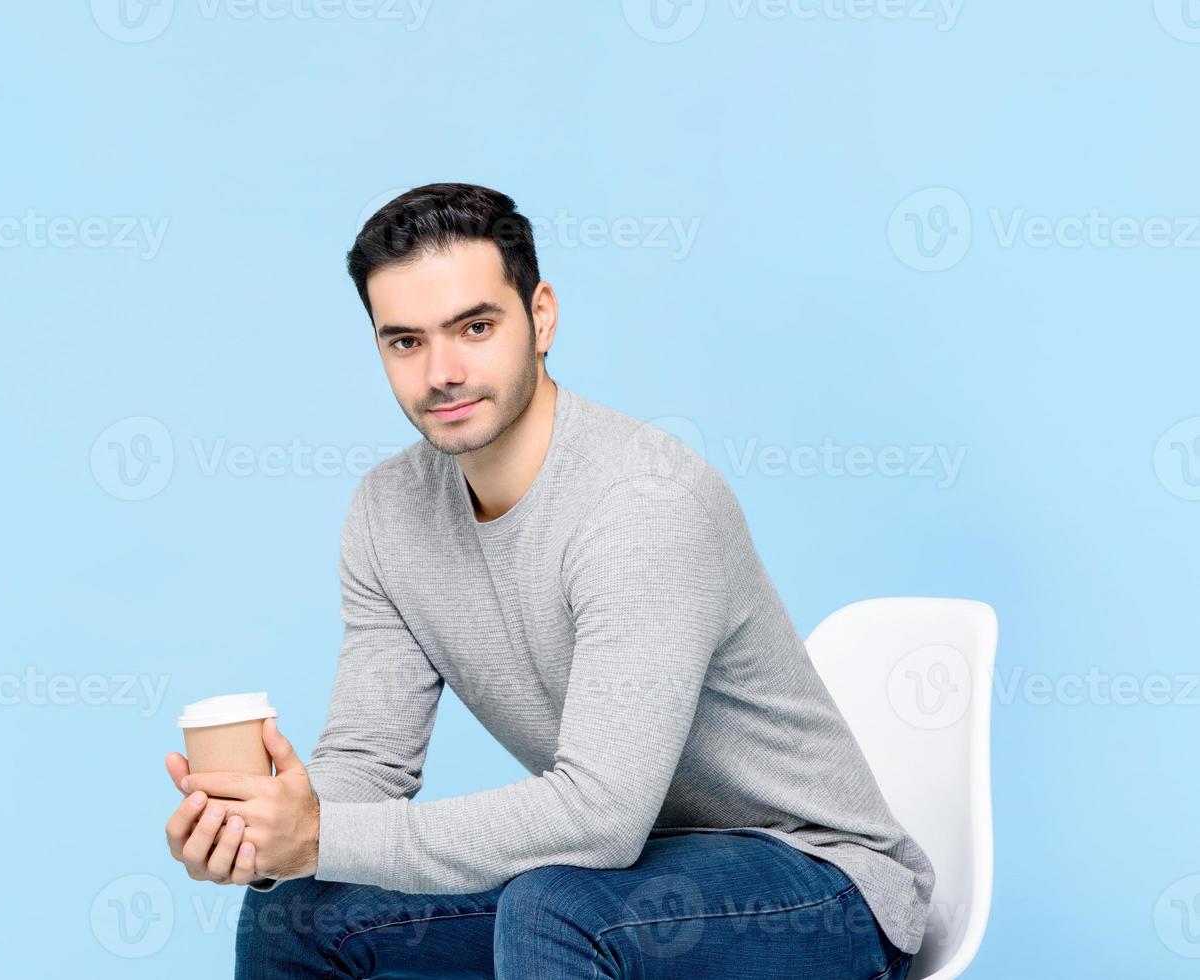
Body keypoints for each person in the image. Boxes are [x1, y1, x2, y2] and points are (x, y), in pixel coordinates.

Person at [163, 183, 933, 978]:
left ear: (542, 317)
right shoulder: (388, 510)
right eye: (405, 342)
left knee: (556, 907)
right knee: (297, 909)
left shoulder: (644, 504)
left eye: (476, 327)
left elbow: (600, 816)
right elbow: (370, 761)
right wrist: (269, 832)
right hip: (623, 879)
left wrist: (323, 834)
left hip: (818, 888)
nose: (442, 373)